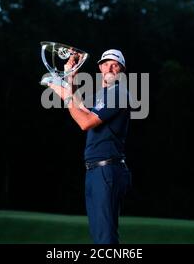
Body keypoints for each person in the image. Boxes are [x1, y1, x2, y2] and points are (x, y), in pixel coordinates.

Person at [47, 49, 132, 244]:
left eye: (115, 64)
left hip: (108, 170)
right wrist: (72, 76)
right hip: (95, 170)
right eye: (106, 63)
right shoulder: (102, 95)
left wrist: (64, 95)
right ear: (100, 67)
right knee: (99, 236)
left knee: (105, 238)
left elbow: (85, 122)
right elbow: (80, 107)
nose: (109, 68)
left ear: (122, 70)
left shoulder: (119, 93)